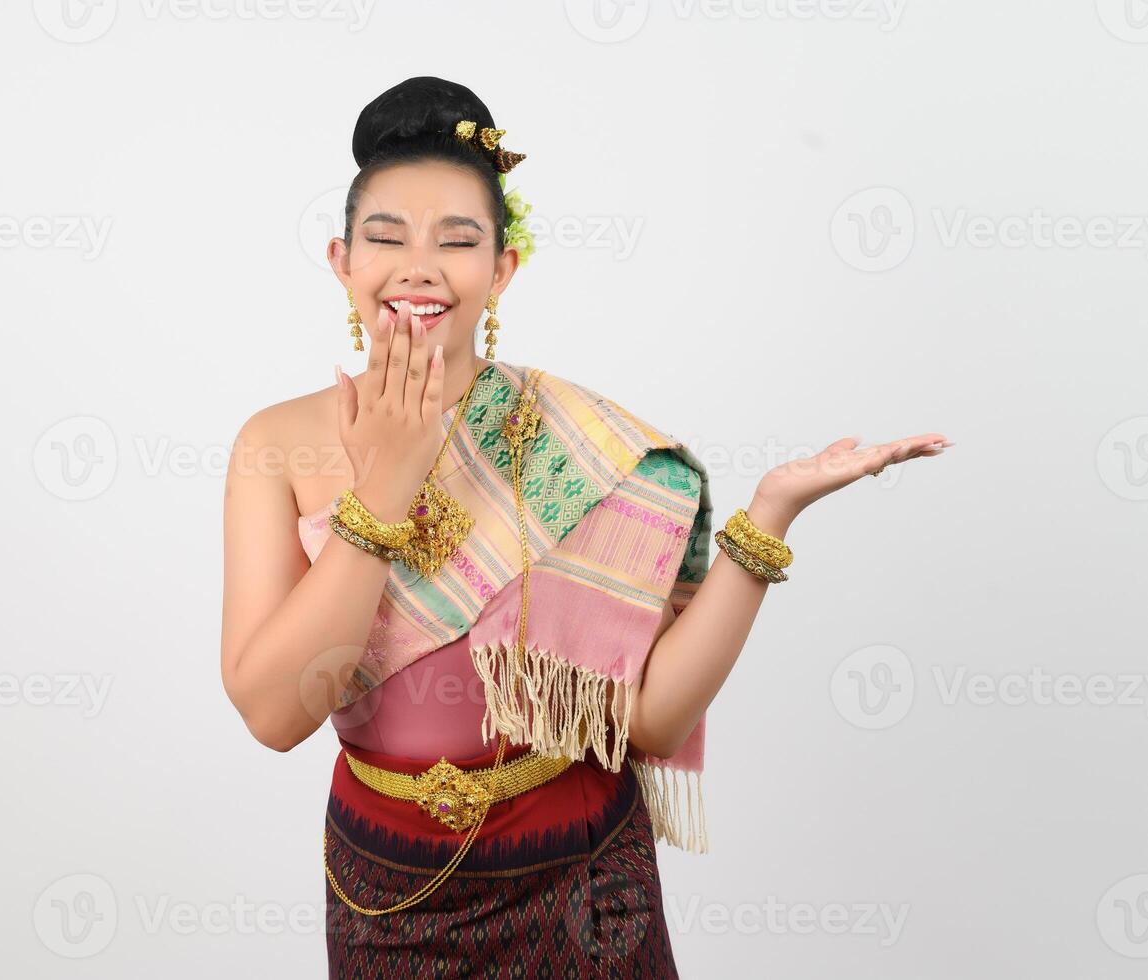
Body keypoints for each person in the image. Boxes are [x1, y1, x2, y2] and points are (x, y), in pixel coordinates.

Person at [220, 76, 950, 978]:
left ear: (502, 269)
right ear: (341, 261)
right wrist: (388, 483)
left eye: (457, 240)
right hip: (387, 884)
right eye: (385, 238)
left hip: (586, 874)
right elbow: (271, 713)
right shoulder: (275, 445)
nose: (417, 265)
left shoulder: (582, 444)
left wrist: (770, 518)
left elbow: (648, 719)